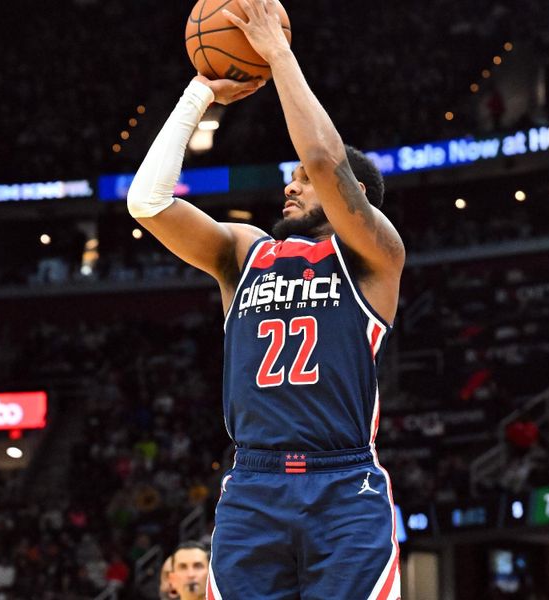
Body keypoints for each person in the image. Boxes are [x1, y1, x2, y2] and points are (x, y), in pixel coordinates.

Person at [127, 0, 405, 598]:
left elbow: (328, 161)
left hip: (345, 485)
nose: (291, 183)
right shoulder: (245, 253)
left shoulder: (373, 255)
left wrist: (278, 55)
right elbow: (146, 203)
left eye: (301, 181)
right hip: (253, 485)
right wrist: (198, 94)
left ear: (351, 199)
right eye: (292, 176)